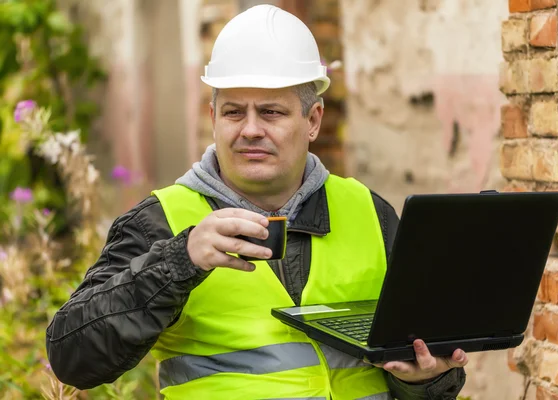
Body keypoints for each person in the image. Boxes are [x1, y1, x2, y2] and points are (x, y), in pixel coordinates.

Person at [46, 4, 467, 399]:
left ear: (313, 120)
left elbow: (421, 365)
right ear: (212, 119)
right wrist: (179, 261)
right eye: (233, 112)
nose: (249, 130)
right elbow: (72, 357)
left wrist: (427, 379)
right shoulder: (161, 221)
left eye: (270, 113)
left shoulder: (370, 213)